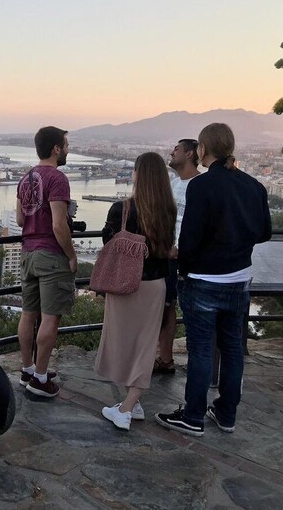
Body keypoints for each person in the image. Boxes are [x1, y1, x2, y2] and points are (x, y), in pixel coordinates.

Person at [156, 123, 271, 436]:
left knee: (202, 349)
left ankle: (193, 415)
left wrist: (182, 263)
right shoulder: (254, 186)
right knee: (233, 348)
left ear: (202, 150)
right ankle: (226, 413)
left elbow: (190, 238)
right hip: (240, 280)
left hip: (203, 279)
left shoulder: (201, 187)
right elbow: (264, 232)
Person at [95, 152, 176, 430]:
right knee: (145, 343)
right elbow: (167, 246)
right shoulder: (169, 210)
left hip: (125, 284)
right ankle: (134, 402)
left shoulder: (121, 209)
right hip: (156, 285)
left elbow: (107, 240)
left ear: (139, 175)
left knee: (123, 341)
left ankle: (126, 409)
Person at [16, 126, 77, 398]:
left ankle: (28, 369)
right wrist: (72, 254)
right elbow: (58, 224)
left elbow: (20, 220)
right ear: (56, 148)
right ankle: (40, 379)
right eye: (65, 145)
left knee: (28, 315)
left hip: (28, 253)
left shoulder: (25, 177)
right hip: (51, 255)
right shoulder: (57, 178)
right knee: (50, 318)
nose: (67, 149)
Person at [155, 139, 201, 374]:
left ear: (190, 153)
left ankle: (197, 362)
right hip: (168, 255)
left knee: (190, 310)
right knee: (167, 307)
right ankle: (165, 358)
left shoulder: (201, 185)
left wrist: (182, 248)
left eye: (176, 150)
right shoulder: (173, 183)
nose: (171, 152)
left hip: (188, 258)